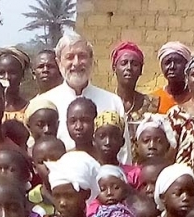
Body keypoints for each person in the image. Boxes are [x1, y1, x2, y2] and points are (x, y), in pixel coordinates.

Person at [30, 32, 131, 163]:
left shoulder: (112, 101)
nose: (76, 63)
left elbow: (124, 155)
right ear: (59, 62)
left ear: (91, 60)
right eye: (70, 57)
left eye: (82, 56)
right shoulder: (43, 103)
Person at [110, 41, 159, 135]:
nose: (129, 68)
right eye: (124, 63)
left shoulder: (152, 104)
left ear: (141, 70)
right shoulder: (107, 102)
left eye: (135, 64)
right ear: (114, 68)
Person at [93, 111, 139, 186]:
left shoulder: (133, 174)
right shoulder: (88, 173)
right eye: (102, 137)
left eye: (114, 137)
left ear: (122, 142)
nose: (107, 142)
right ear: (94, 141)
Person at [0, 47, 32, 123]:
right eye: (1, 73)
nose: (6, 77)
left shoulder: (31, 109)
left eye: (12, 72)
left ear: (22, 75)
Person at [152, 42, 192, 114]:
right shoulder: (154, 99)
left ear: (187, 66)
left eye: (178, 62)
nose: (172, 66)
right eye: (167, 62)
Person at [29, 136, 66, 213]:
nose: (48, 165)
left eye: (55, 159)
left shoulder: (79, 195)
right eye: (42, 162)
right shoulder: (29, 201)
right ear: (34, 167)